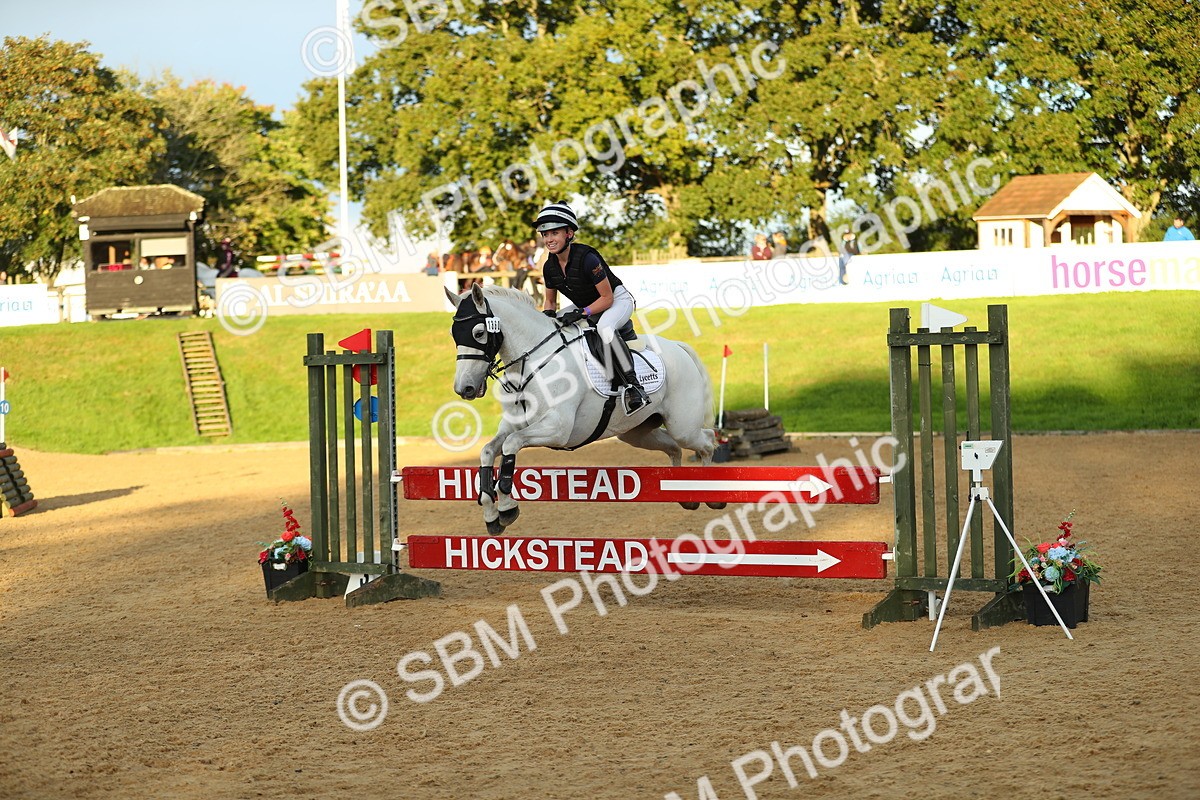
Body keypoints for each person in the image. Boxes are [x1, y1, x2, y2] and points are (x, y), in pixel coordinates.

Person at [535, 201, 649, 414]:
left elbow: (607, 298)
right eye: (545, 234)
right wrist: (548, 317)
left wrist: (582, 313)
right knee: (553, 328)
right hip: (587, 306)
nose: (549, 239)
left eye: (555, 233)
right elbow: (550, 302)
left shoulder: (588, 259)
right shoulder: (549, 266)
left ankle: (634, 386)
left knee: (605, 328)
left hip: (617, 301)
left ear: (569, 233)